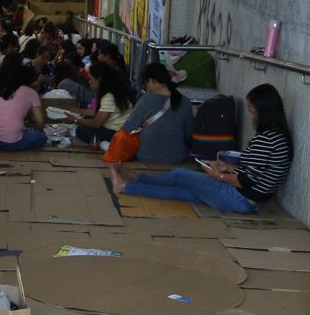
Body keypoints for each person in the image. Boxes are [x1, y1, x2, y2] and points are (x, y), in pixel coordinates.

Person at [112, 84, 292, 214]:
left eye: (252, 111)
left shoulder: (267, 139)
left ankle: (136, 179)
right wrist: (227, 168)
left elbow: (246, 180)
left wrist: (218, 176)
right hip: (249, 200)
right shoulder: (278, 136)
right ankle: (128, 186)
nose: (251, 116)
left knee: (181, 175)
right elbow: (256, 171)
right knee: (181, 192)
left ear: (265, 111)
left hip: (241, 198)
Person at [121, 62, 193, 165]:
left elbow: (128, 128)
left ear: (151, 80)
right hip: (176, 156)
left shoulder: (146, 100)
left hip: (146, 155)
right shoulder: (185, 101)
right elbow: (188, 133)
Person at [0, 55, 48, 152]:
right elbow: (40, 121)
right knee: (42, 137)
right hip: (10, 143)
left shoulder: (3, 89)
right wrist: (38, 130)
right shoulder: (31, 92)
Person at [69, 63, 133, 146]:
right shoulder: (116, 92)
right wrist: (77, 111)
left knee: (81, 131)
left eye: (91, 78)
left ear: (99, 79)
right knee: (85, 123)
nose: (89, 81)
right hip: (119, 131)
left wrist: (75, 120)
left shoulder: (109, 97)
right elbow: (94, 112)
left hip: (116, 133)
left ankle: (104, 144)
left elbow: (97, 123)